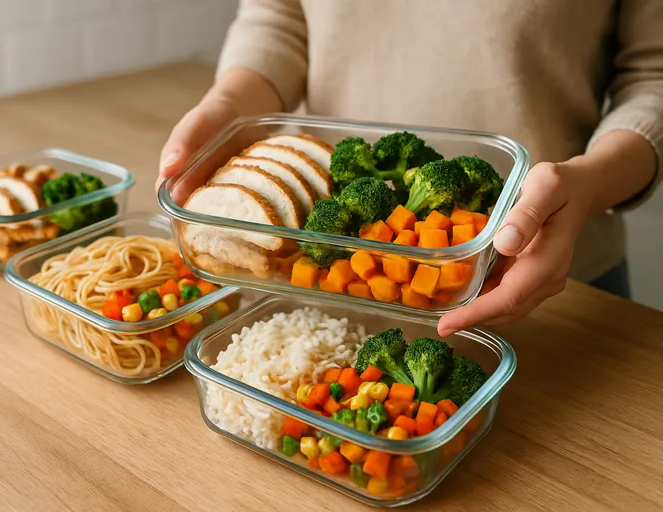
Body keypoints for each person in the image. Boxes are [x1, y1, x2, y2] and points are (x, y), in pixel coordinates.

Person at [156, 1, 662, 336]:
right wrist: (227, 107)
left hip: (558, 278)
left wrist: (592, 181)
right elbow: (280, 18)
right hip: (327, 268)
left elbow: (653, 75)